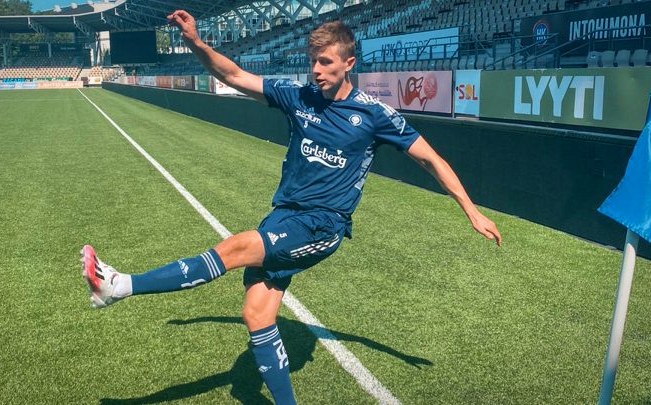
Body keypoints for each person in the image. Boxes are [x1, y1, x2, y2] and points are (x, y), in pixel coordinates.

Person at [81, 10, 502, 405]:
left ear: (348, 63)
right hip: (284, 215)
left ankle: (118, 286)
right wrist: (195, 43)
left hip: (324, 225)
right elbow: (231, 74)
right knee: (255, 314)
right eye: (312, 61)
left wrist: (471, 211)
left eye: (324, 62)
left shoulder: (374, 115)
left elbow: (431, 159)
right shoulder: (298, 96)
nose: (315, 70)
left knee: (235, 247)